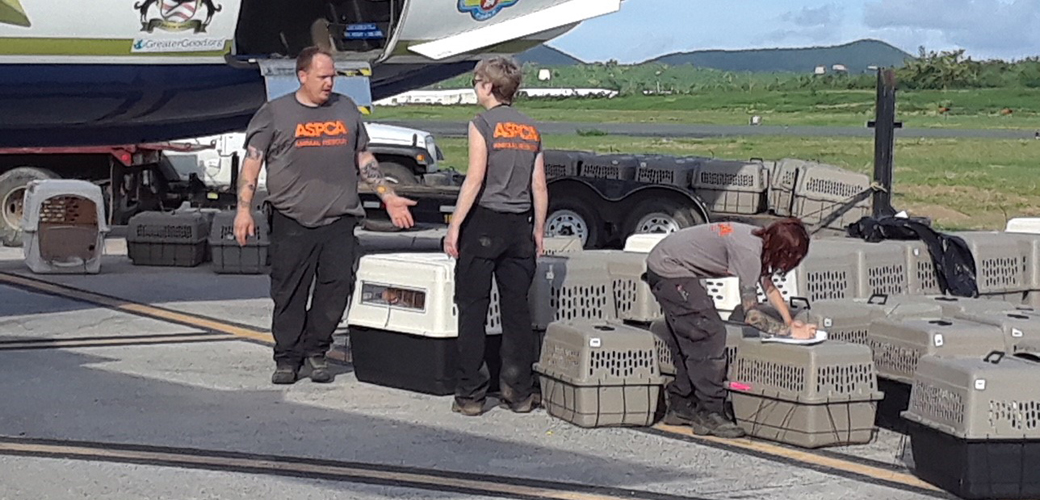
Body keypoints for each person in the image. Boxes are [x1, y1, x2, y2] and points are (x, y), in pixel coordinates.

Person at [234, 46, 416, 385]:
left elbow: (363, 157)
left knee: (335, 290)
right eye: (323, 77)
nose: (330, 82)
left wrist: (388, 196)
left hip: (339, 218)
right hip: (291, 219)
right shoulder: (275, 113)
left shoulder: (345, 108)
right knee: (289, 292)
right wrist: (243, 210)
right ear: (302, 76)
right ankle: (287, 358)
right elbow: (252, 162)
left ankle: (317, 350)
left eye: (333, 76)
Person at [443, 56, 549, 417]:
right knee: (516, 311)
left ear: (487, 86)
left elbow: (475, 178)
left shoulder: (482, 124)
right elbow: (539, 185)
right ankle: (518, 392)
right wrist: (537, 229)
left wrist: (455, 224)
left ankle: (470, 394)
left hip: (485, 221)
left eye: (477, 83)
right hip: (520, 224)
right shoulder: (530, 129)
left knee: (472, 309)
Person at [644, 219, 816, 438]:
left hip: (663, 263)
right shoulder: (749, 253)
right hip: (668, 270)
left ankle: (681, 404)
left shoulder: (758, 239)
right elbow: (752, 315)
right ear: (784, 252)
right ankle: (710, 413)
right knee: (709, 333)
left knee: (688, 335)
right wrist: (790, 333)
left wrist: (789, 320)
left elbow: (767, 285)